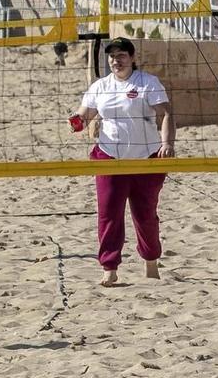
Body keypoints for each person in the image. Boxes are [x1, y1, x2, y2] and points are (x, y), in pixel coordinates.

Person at [75, 37, 176, 287]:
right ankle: (109, 268)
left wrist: (167, 144)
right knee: (109, 214)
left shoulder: (147, 83)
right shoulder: (101, 86)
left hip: (146, 159)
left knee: (145, 215)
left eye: (121, 55)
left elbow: (166, 114)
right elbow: (83, 116)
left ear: (132, 58)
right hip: (110, 157)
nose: (115, 60)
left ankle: (151, 263)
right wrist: (76, 122)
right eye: (112, 56)